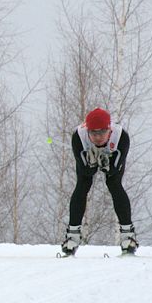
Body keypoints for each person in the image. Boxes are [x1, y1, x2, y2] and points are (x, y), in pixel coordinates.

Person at [61, 107, 136, 256]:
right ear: (87, 130)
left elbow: (113, 171)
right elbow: (86, 171)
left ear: (109, 130)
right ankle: (72, 235)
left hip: (113, 153)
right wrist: (92, 163)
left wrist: (105, 162)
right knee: (83, 185)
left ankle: (128, 235)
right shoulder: (79, 137)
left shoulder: (121, 137)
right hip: (87, 152)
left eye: (102, 132)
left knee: (114, 184)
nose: (98, 137)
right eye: (93, 133)